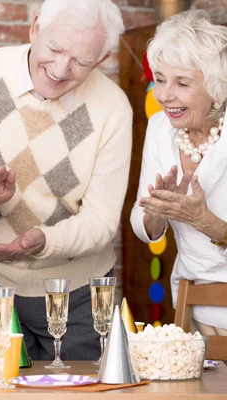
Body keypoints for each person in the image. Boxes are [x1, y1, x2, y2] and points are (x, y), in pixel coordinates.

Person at [0, 0, 133, 361]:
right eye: (55, 49)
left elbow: (101, 222)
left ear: (101, 60)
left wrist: (43, 241)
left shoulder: (113, 109)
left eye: (81, 62)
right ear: (36, 28)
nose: (60, 68)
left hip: (76, 295)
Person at [130, 10, 227, 336]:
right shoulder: (161, 128)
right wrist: (157, 209)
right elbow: (144, 225)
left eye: (182, 83)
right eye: (159, 79)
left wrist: (204, 220)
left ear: (217, 85)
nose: (163, 95)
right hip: (192, 301)